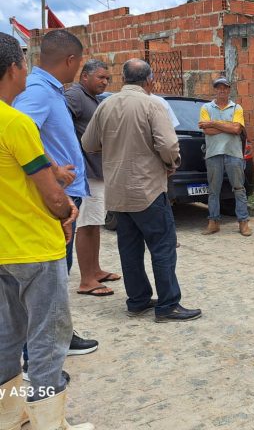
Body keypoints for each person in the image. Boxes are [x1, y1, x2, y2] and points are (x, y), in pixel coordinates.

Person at [0, 32, 93, 430]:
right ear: (12, 69)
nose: (27, 71)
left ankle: (9, 415)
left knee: (6, 338)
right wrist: (66, 210)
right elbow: (51, 194)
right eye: (24, 63)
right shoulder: (16, 123)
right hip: (34, 245)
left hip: (4, 248)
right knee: (48, 342)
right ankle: (48, 422)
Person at [82, 58, 201, 323]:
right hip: (147, 189)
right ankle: (168, 305)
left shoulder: (106, 105)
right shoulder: (152, 104)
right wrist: (171, 164)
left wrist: (114, 146)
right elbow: (168, 145)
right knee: (163, 247)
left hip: (118, 191)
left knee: (130, 249)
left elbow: (88, 143)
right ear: (149, 81)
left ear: (123, 78)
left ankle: (137, 301)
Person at [12, 30, 98, 364]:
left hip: (65, 193)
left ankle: (60, 335)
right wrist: (53, 169)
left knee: (60, 274)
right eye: (79, 63)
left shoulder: (49, 89)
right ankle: (38, 355)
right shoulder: (38, 90)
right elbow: (20, 132)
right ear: (71, 60)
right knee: (49, 278)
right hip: (55, 195)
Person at [66, 59, 121, 297]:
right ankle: (86, 280)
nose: (105, 82)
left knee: (95, 223)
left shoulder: (92, 98)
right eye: (101, 77)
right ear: (85, 76)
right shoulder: (75, 96)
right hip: (86, 173)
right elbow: (61, 126)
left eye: (107, 78)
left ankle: (95, 270)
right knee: (86, 225)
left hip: (97, 172)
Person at [198, 77, 251, 236]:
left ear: (229, 90)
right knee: (213, 190)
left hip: (233, 153)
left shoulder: (237, 108)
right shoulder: (206, 107)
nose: (222, 90)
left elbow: (236, 129)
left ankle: (243, 222)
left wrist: (213, 123)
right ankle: (213, 222)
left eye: (225, 88)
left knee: (239, 188)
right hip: (213, 153)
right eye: (219, 88)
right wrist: (227, 126)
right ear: (215, 90)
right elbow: (207, 131)